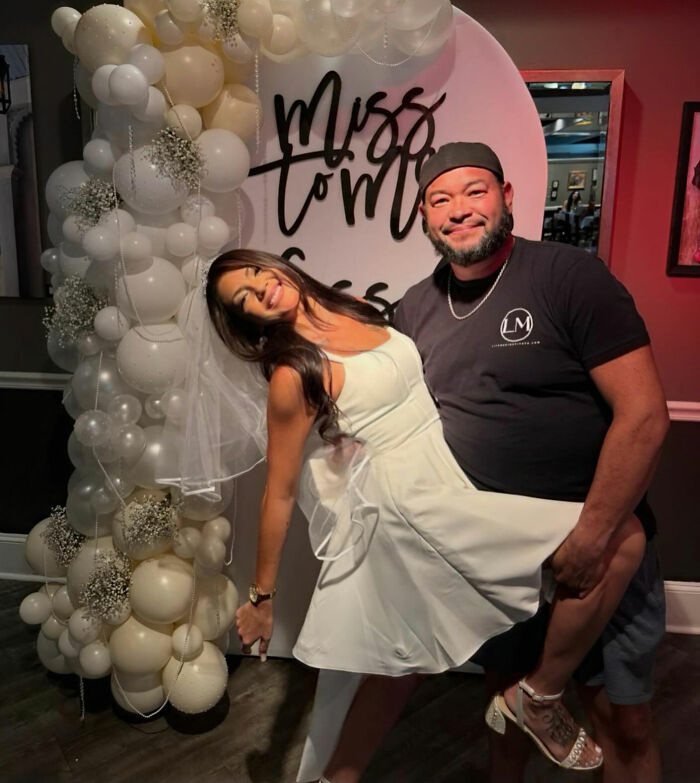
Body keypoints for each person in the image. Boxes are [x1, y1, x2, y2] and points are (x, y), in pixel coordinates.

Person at [201, 246, 646, 782]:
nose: (260, 289)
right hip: (411, 509)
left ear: (272, 264)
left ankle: (342, 775)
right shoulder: (294, 374)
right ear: (247, 321)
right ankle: (539, 697)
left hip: (447, 479)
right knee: (624, 540)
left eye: (254, 273)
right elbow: (279, 492)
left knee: (399, 668)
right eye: (244, 298)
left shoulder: (357, 306)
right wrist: (262, 597)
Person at [393, 142, 670, 783]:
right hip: (499, 559)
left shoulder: (568, 277)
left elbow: (645, 416)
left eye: (475, 192)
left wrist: (594, 536)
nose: (459, 209)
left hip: (598, 552)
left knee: (622, 722)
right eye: (441, 199)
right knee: (507, 719)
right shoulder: (413, 309)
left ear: (508, 198)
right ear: (424, 217)